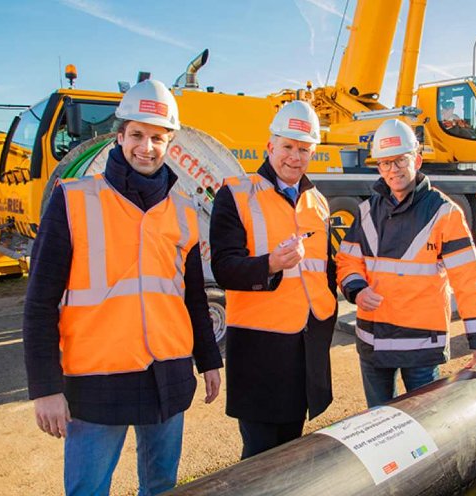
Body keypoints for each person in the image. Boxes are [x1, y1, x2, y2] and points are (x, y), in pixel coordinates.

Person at [22, 79, 223, 495]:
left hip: (167, 376)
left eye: (157, 138)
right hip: (98, 383)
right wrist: (45, 388)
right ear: (120, 136)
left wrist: (209, 360)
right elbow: (40, 302)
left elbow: (192, 297)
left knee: (161, 486)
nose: (145, 147)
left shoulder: (183, 211)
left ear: (170, 143)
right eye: (137, 135)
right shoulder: (74, 200)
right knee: (88, 490)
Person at [336, 119, 476, 408]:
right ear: (378, 167)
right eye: (385, 163)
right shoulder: (367, 211)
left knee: (423, 432)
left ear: (416, 160)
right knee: (377, 429)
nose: (393, 170)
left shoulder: (444, 213)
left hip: (420, 349)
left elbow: (468, 282)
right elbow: (348, 260)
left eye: (400, 160)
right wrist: (356, 289)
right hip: (373, 344)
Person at [209, 100, 337, 459]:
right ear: (270, 147)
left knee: (291, 451)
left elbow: (324, 272)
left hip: (305, 347)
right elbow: (223, 268)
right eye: (288, 147)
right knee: (260, 455)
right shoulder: (235, 193)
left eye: (303, 149)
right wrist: (270, 264)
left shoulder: (318, 202)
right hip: (259, 350)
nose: (295, 157)